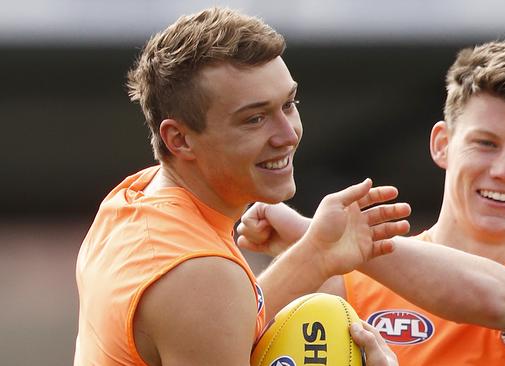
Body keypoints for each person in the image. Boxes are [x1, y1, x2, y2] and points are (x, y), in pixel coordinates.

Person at [237, 41, 505, 365]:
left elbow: (494, 297)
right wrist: (310, 253)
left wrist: (319, 238)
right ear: (442, 144)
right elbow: (221, 346)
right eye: (485, 144)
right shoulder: (347, 284)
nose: (504, 170)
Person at [73, 7, 409, 366]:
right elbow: (208, 301)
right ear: (179, 139)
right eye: (255, 119)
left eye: (289, 104)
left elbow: (220, 319)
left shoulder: (134, 196)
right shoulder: (201, 276)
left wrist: (316, 254)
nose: (287, 134)